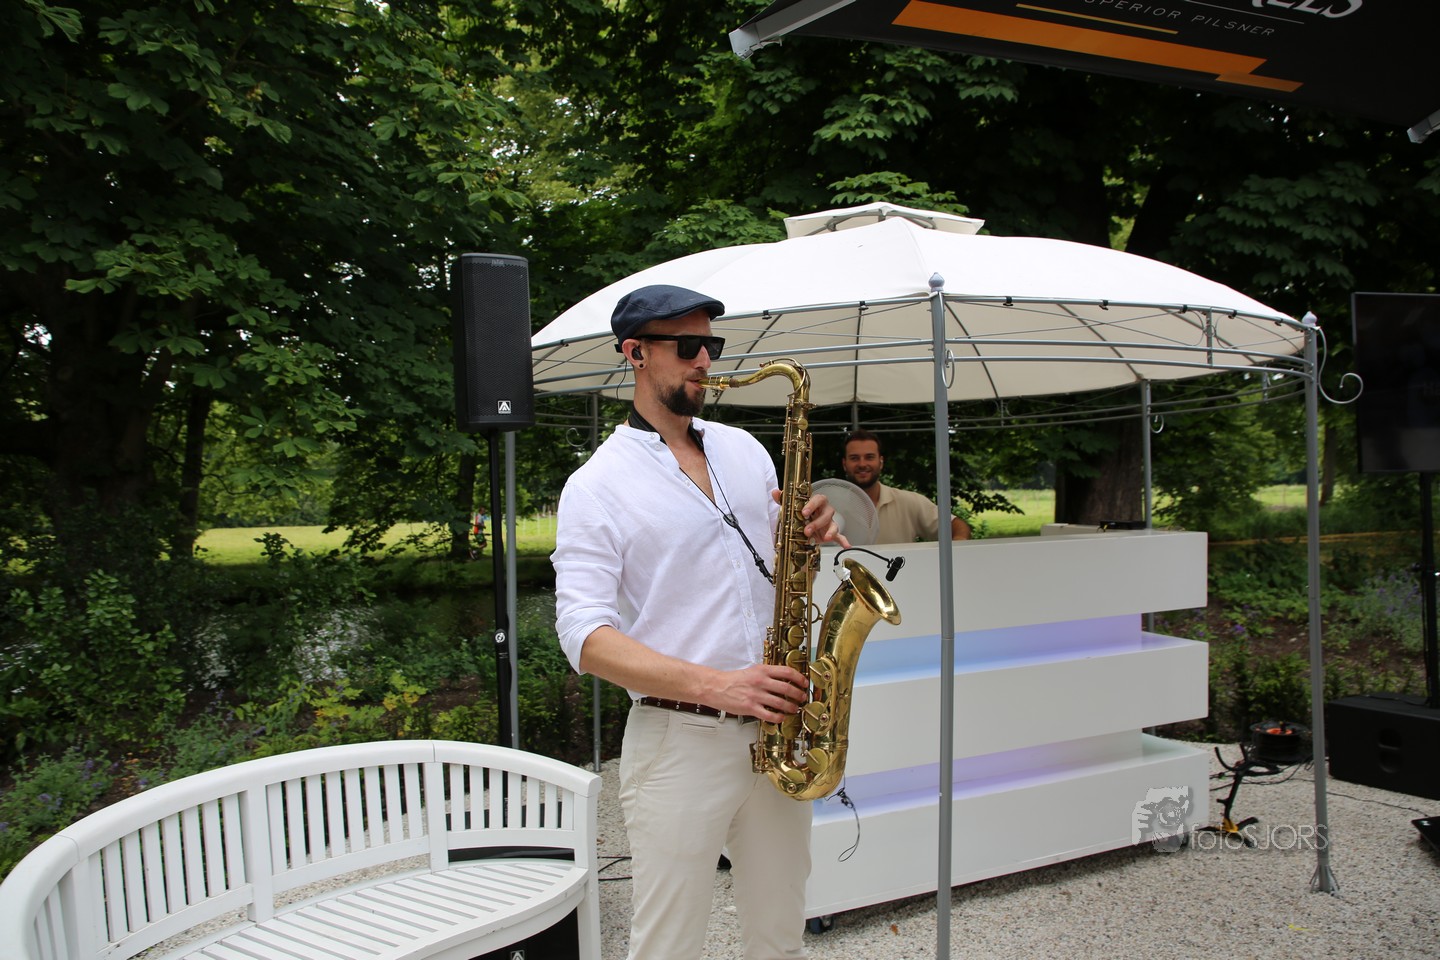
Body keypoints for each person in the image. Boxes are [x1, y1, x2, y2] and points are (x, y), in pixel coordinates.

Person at [551, 283, 846, 960]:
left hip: (779, 729)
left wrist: (809, 529)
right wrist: (720, 686)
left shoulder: (745, 450)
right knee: (668, 946)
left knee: (780, 935)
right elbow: (584, 637)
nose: (706, 361)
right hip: (679, 740)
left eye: (711, 346)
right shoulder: (595, 485)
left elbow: (778, 566)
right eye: (687, 347)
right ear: (635, 353)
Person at [840, 428, 971, 544]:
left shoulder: (908, 502)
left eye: (869, 457)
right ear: (845, 464)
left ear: (881, 462)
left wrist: (959, 544)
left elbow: (956, 525)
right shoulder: (834, 506)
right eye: (854, 458)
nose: (862, 464)